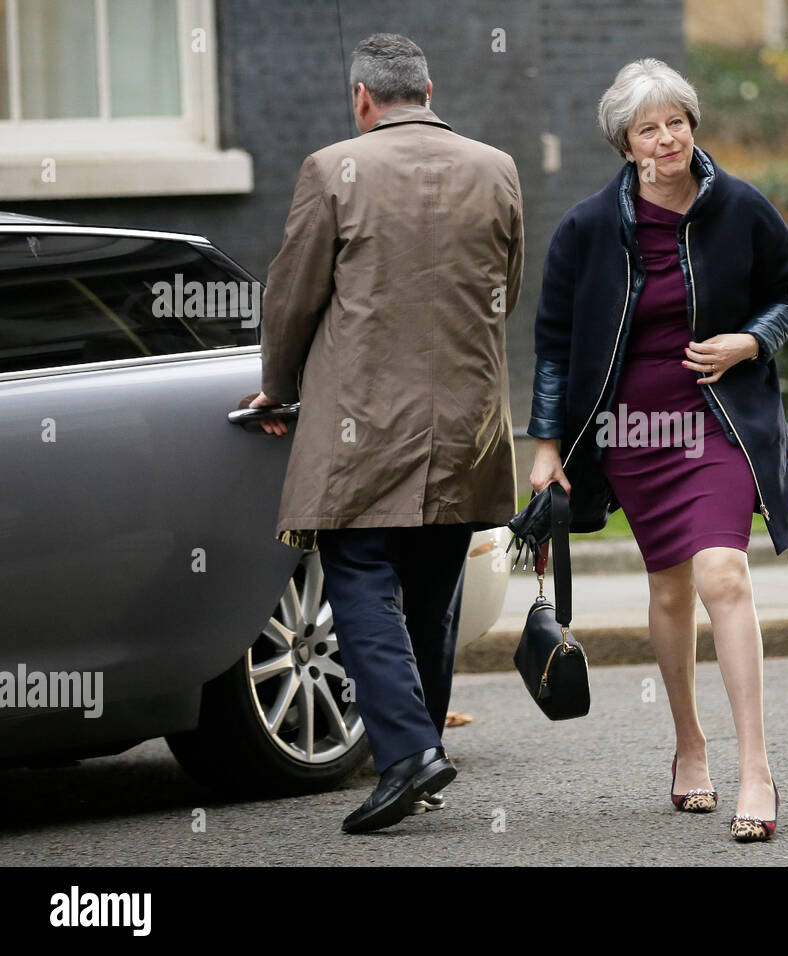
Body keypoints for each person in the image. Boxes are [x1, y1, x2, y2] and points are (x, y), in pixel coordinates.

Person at [526, 58, 788, 842]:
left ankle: (756, 765)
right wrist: (545, 445)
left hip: (717, 419)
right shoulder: (586, 229)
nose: (666, 137)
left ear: (692, 125)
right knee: (671, 590)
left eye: (676, 120)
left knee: (724, 570)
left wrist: (749, 341)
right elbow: (553, 344)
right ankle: (690, 744)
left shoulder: (741, 208)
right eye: (647, 128)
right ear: (625, 145)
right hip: (635, 433)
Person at [250, 33, 523, 834]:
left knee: (362, 579)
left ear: (363, 98)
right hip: (467, 423)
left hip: (361, 422)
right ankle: (424, 755)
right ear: (429, 89)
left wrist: (277, 386)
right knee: (433, 593)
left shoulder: (333, 168)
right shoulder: (497, 167)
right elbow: (504, 286)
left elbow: (293, 297)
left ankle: (406, 756)